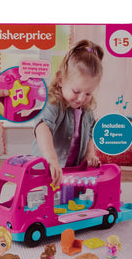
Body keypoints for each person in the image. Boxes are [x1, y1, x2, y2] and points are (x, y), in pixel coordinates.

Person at [32, 40, 103, 187]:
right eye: (76, 91)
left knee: (71, 197)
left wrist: (89, 154)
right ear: (60, 80)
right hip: (47, 171)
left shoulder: (87, 111)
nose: (81, 99)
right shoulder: (53, 103)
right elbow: (42, 127)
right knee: (43, 196)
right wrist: (51, 159)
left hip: (72, 171)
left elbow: (90, 135)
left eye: (88, 93)